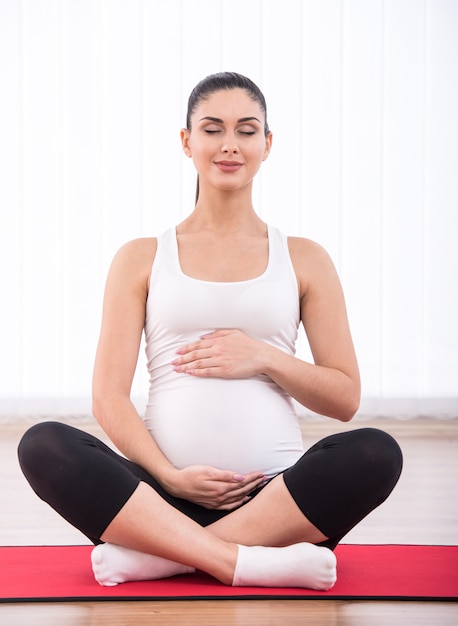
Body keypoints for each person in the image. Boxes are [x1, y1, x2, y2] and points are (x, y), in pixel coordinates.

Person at [18, 72, 403, 591]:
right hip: (155, 499)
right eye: (212, 129)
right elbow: (108, 397)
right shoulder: (141, 257)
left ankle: (166, 559)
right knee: (44, 445)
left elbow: (344, 399)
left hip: (277, 503)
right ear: (186, 141)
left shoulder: (306, 258)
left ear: (267, 144)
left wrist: (263, 357)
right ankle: (240, 560)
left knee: (377, 452)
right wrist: (171, 477)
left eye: (247, 130)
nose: (229, 145)